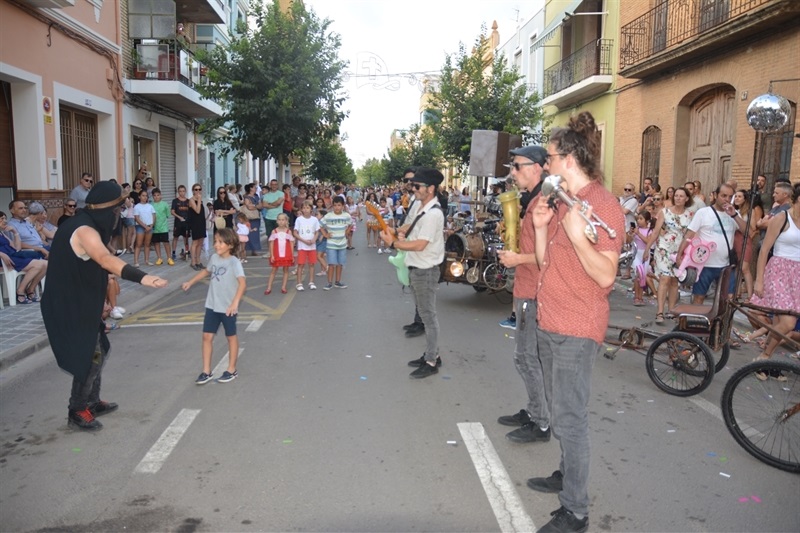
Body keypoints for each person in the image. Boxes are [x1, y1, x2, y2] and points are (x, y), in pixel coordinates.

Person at [524, 112, 624, 533]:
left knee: (570, 419)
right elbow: (546, 263)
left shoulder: (603, 206)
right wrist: (542, 228)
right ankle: (567, 474)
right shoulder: (564, 201)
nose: (545, 165)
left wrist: (580, 236)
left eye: (548, 157)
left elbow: (605, 276)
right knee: (560, 411)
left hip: (576, 327)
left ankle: (576, 510)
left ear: (568, 159)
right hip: (551, 319)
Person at [41, 181, 167, 430]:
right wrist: (142, 277)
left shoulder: (89, 224)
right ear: (107, 209)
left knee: (100, 350)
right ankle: (77, 410)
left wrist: (102, 301)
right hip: (69, 305)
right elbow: (104, 259)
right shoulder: (84, 230)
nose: (118, 215)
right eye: (117, 210)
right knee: (89, 357)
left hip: (82, 301)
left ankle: (92, 400)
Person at [496, 145, 551, 443]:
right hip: (526, 287)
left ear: (537, 168)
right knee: (528, 358)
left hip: (535, 290)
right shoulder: (531, 200)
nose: (513, 172)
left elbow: (550, 256)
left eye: (517, 166)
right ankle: (534, 410)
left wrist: (518, 258)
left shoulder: (545, 202)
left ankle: (541, 423)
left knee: (527, 358)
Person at [380, 168, 445, 379]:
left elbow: (420, 244)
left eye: (417, 186)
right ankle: (432, 353)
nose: (413, 189)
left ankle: (431, 361)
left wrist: (393, 244)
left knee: (428, 317)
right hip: (417, 268)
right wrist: (397, 231)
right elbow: (412, 228)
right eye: (412, 185)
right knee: (426, 315)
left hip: (425, 270)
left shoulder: (433, 214)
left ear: (431, 188)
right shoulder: (423, 209)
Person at [182, 227, 245, 385]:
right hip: (212, 305)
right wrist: (190, 282)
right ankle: (206, 371)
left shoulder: (234, 262)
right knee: (206, 337)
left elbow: (242, 284)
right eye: (215, 241)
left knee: (231, 337)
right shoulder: (214, 258)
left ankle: (232, 369)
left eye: (220, 242)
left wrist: (235, 303)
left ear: (230, 245)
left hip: (227, 307)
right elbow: (206, 272)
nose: (216, 245)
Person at [750, 182, 800, 380]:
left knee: (780, 323)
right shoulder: (782, 217)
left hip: (797, 275)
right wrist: (759, 280)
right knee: (788, 322)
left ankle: (767, 365)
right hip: (779, 270)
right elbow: (764, 250)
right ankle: (764, 356)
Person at [675, 183, 746, 306]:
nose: (727, 199)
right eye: (724, 196)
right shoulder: (703, 213)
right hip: (704, 265)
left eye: (730, 197)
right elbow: (689, 235)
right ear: (716, 195)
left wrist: (734, 215)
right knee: (699, 297)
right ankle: (697, 318)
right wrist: (679, 255)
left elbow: (747, 232)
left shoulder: (734, 214)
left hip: (726, 265)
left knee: (728, 298)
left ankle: (722, 319)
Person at [643, 187, 693, 324]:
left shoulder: (690, 214)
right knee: (665, 278)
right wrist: (647, 249)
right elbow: (655, 232)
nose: (678, 198)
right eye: (676, 195)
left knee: (674, 280)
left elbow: (692, 233)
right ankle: (660, 312)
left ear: (687, 199)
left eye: (681, 196)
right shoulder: (664, 212)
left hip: (680, 249)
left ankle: (672, 310)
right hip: (664, 248)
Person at [0, 211, 48, 304]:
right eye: (2, 219)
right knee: (37, 265)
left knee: (46, 264)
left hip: (13, 256)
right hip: (4, 259)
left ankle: (30, 289)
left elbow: (17, 248)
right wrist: (1, 254)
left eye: (5, 218)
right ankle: (20, 291)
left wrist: (15, 232)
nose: (5, 221)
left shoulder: (2, 234)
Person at [320, 196, 352, 290]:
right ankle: (329, 282)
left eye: (339, 205)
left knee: (340, 264)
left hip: (342, 244)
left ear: (343, 206)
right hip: (331, 244)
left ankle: (337, 282)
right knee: (331, 264)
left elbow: (351, 224)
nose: (337, 207)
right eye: (335, 205)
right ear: (332, 206)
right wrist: (325, 234)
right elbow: (320, 225)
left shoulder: (346, 215)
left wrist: (347, 231)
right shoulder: (328, 216)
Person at [265, 213, 295, 294]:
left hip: (286, 254)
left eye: (283, 220)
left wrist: (292, 255)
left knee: (286, 270)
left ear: (286, 221)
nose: (281, 221)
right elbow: (271, 244)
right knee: (274, 270)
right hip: (276, 254)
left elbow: (291, 244)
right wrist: (272, 255)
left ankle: (283, 287)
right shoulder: (274, 231)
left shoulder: (288, 232)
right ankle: (269, 287)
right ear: (277, 221)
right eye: (279, 220)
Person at [294, 201, 320, 291]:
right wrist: (304, 241)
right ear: (301, 209)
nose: (305, 210)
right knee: (301, 264)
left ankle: (311, 282)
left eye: (307, 208)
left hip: (312, 246)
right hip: (302, 246)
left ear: (311, 209)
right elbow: (295, 233)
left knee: (311, 264)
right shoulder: (299, 219)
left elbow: (317, 232)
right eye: (304, 208)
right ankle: (299, 283)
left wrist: (313, 240)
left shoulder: (314, 220)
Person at [150, 188, 173, 266]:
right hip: (155, 228)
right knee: (156, 243)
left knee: (166, 242)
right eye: (154, 195)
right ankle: (159, 258)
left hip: (164, 227)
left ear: (161, 195)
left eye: (158, 195)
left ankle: (169, 258)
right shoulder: (151, 205)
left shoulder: (165, 204)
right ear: (152, 196)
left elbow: (167, 215)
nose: (156, 197)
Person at [132, 190, 155, 267]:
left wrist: (151, 226)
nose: (145, 197)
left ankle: (147, 260)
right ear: (139, 197)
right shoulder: (137, 206)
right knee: (138, 244)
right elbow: (137, 218)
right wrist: (145, 227)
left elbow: (154, 216)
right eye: (143, 195)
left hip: (149, 226)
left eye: (146, 196)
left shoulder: (150, 206)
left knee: (147, 244)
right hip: (140, 226)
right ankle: (136, 261)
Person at [261, 179, 284, 252]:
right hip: (269, 217)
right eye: (272, 184)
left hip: (279, 218)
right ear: (270, 185)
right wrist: (273, 205)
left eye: (275, 184)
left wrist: (269, 204)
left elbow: (278, 203)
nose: (274, 186)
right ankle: (270, 252)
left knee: (279, 235)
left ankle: (279, 251)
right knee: (269, 236)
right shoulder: (266, 195)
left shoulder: (281, 194)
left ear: (277, 185)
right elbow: (264, 205)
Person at [188, 184, 207, 271]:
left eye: (199, 189)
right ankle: (193, 262)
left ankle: (198, 261)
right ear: (193, 191)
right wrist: (199, 200)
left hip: (201, 222)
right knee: (195, 242)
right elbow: (197, 211)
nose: (198, 191)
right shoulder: (191, 200)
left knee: (200, 242)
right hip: (195, 223)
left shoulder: (200, 200)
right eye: (196, 189)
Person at [171, 184, 191, 261]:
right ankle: (173, 253)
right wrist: (179, 217)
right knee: (175, 237)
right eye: (180, 191)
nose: (182, 193)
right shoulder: (175, 201)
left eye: (183, 191)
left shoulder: (188, 201)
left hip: (186, 223)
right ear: (178, 192)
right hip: (178, 223)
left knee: (186, 238)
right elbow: (172, 212)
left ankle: (187, 252)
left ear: (185, 191)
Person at [242, 183, 262, 256]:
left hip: (256, 217)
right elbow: (249, 207)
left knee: (256, 234)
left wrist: (254, 206)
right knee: (249, 233)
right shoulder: (247, 197)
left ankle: (254, 249)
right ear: (251, 188)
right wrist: (256, 206)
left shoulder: (256, 196)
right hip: (249, 217)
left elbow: (260, 205)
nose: (256, 189)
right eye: (254, 187)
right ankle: (247, 249)